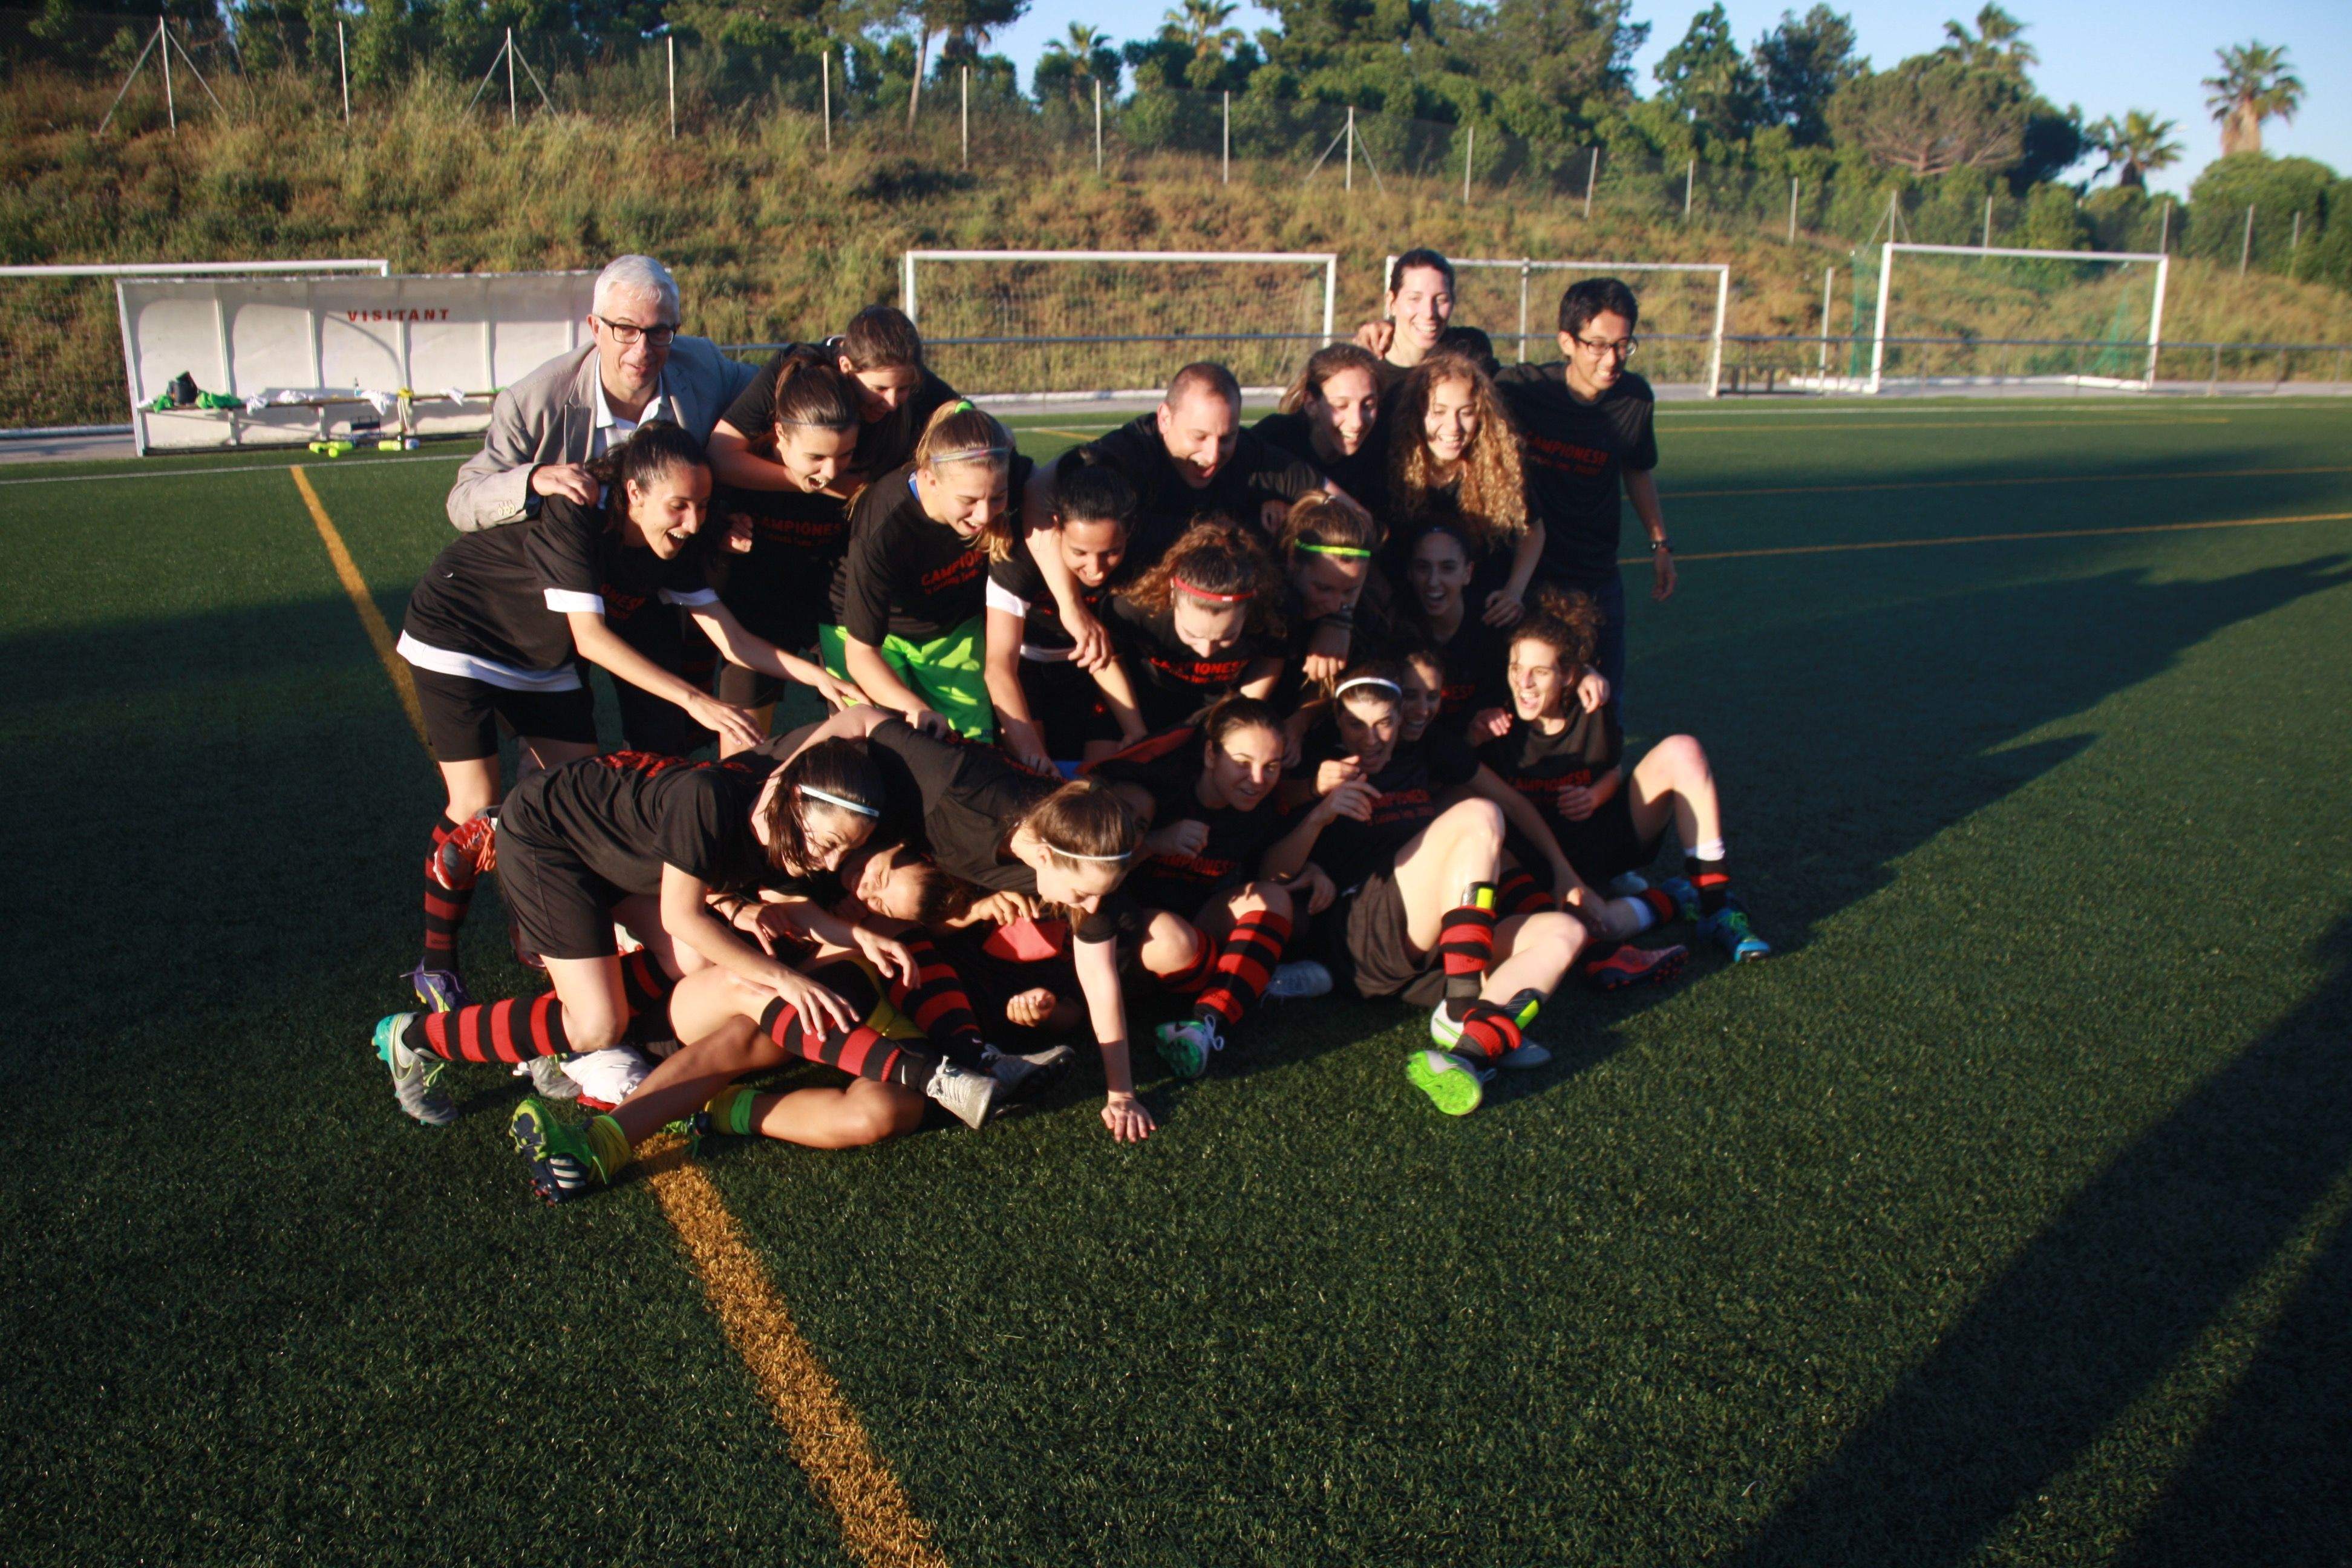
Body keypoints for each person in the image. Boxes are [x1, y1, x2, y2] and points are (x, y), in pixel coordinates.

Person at [395, 422, 843, 1022]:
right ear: (632, 493)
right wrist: (696, 702)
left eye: (703, 507)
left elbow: (732, 640)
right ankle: (438, 962)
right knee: (475, 799)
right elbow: (592, 638)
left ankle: (548, 932)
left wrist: (818, 678)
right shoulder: (576, 515)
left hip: (543, 656)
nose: (691, 521)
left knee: (575, 806)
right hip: (462, 634)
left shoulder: (676, 544)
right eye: (678, 506)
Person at [370, 742, 999, 1156]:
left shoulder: (783, 809)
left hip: (621, 856)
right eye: (825, 842)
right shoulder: (710, 801)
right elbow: (683, 916)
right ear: (790, 797)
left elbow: (788, 904)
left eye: (843, 850)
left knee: (699, 962)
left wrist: (854, 934)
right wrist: (786, 982)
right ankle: (414, 1038)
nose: (830, 862)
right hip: (553, 844)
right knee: (597, 1021)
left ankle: (574, 1036)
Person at [773, 708, 1161, 1142]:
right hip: (800, 806)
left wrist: (1121, 1093)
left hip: (839, 856)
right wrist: (778, 782)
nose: (1093, 904)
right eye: (1084, 892)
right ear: (1046, 857)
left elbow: (1100, 978)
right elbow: (862, 720)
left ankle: (970, 1060)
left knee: (891, 916)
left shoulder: (1072, 847)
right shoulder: (964, 789)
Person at [1276, 666, 1592, 1117]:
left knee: (1564, 933)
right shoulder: (1317, 765)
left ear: (1401, 718)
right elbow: (1270, 854)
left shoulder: (1425, 751)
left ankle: (1468, 1055)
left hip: (1432, 952)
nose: (1372, 738)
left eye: (1385, 721)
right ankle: (1464, 1004)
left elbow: (1514, 803)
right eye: (1356, 725)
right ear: (1337, 724)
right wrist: (1315, 804)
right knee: (1479, 815)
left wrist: (1566, 872)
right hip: (1360, 932)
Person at [1475, 588, 1771, 964]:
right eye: (1516, 668)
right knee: (1591, 930)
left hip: (1600, 842)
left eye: (1540, 671)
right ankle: (1669, 901)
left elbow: (1613, 771)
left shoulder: (1592, 703)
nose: (1524, 683)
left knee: (1684, 750)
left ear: (1568, 674)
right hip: (1539, 865)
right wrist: (1473, 733)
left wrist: (1595, 796)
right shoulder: (1497, 716)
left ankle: (1716, 906)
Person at [1090, 696, 1339, 1078]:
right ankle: (1250, 980)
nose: (1258, 780)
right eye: (1242, 763)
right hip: (1129, 934)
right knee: (1178, 942)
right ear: (1210, 755)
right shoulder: (1155, 792)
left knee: (1273, 900)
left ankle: (1207, 1023)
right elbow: (1089, 877)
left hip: (1198, 925)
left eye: (1270, 766)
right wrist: (1155, 841)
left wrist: (1315, 863)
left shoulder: (1261, 805)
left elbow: (1273, 879)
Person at [446, 255, 759, 533]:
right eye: (625, 329)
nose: (643, 350)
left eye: (659, 332)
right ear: (595, 328)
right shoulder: (533, 402)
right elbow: (463, 502)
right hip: (578, 576)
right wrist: (533, 479)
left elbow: (778, 383)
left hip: (672, 571)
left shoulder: (704, 366)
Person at [1495, 276, 1676, 702]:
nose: (1612, 359)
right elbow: (1454, 370)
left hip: (1596, 573)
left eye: (1623, 345)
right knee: (1528, 696)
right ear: (1566, 341)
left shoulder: (1634, 400)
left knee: (1603, 699)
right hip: (1532, 575)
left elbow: (1637, 469)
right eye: (1597, 344)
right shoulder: (1522, 390)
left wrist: (1660, 545)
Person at [823, 401, 1031, 742]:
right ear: (930, 480)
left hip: (951, 627)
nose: (984, 515)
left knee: (975, 746)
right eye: (969, 500)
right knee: (884, 744)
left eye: (998, 498)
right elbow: (861, 655)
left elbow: (1050, 485)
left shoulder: (999, 464)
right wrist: (914, 708)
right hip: (871, 634)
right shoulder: (883, 524)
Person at [705, 347, 869, 753]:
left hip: (830, 611)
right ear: (779, 433)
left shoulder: (861, 476)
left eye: (845, 454)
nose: (831, 472)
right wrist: (721, 538)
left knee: (860, 739)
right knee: (740, 758)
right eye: (816, 456)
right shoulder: (740, 472)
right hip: (755, 612)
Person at [983, 465, 1149, 771]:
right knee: (1034, 773)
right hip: (1025, 665)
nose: (1096, 569)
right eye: (1080, 552)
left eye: (1111, 552)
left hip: (1093, 667)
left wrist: (1136, 733)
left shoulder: (1139, 558)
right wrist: (1034, 754)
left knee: (1103, 778)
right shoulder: (1019, 559)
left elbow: (1103, 654)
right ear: (1057, 526)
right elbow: (998, 667)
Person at [707, 305, 960, 501]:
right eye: (879, 388)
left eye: (904, 389)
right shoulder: (794, 369)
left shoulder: (903, 372)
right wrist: (812, 481)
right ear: (845, 366)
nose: (893, 402)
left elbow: (963, 413)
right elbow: (721, 455)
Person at [1384, 348, 1543, 630]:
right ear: (1417, 414)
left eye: (1466, 413)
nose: (1454, 427)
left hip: (1482, 617)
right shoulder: (1393, 469)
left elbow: (1534, 531)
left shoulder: (1500, 466)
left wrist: (1514, 591)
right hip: (1409, 618)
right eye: (1439, 412)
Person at [1100, 518, 1286, 741]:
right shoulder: (1134, 609)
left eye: (1226, 637)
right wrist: (1134, 730)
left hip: (1220, 710)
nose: (1206, 651)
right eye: (1192, 635)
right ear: (1172, 594)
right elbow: (1108, 660)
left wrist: (1238, 722)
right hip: (1148, 706)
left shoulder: (1271, 614)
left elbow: (1272, 657)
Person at [1250, 343, 1387, 514]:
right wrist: (1265, 500)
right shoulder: (1272, 438)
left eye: (1368, 405)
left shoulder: (1379, 449)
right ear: (1311, 404)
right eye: (1341, 406)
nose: (1357, 422)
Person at [1352, 249, 1457, 394]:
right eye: (1415, 299)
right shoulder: (1367, 375)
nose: (1429, 313)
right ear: (1391, 302)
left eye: (1441, 300)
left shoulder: (1470, 349)